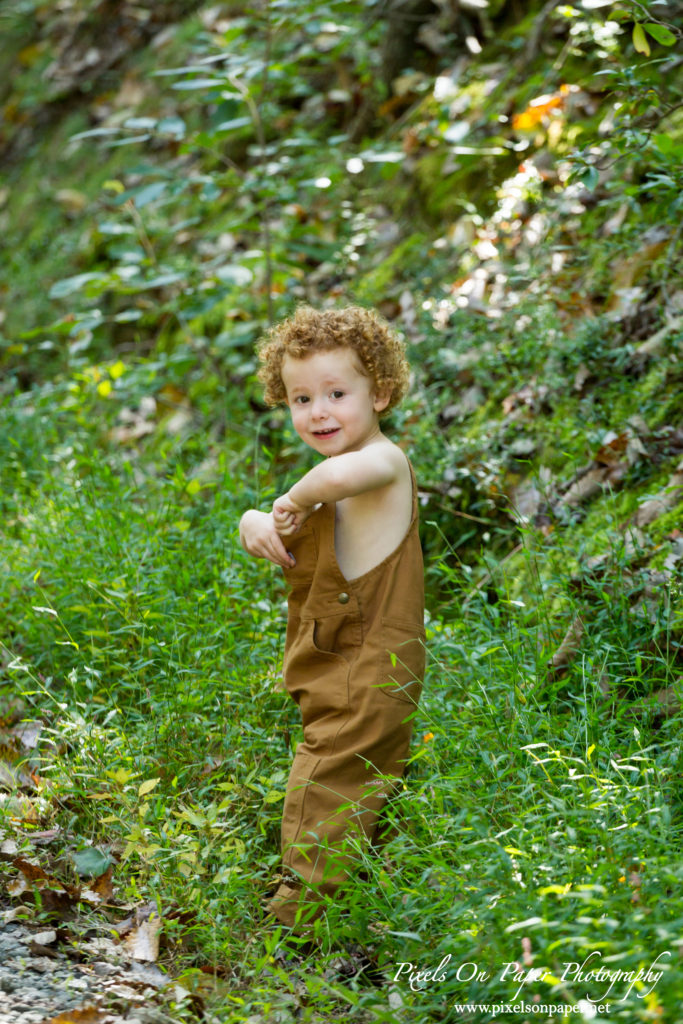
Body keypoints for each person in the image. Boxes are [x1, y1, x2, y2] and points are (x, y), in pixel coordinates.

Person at [239, 305, 425, 932]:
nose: (318, 411)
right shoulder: (325, 482)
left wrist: (289, 500)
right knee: (352, 787)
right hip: (329, 669)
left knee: (325, 787)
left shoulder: (381, 465)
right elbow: (290, 530)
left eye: (337, 394)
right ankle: (352, 910)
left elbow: (345, 474)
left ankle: (295, 927)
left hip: (368, 667)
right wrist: (256, 523)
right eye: (300, 397)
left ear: (383, 394)